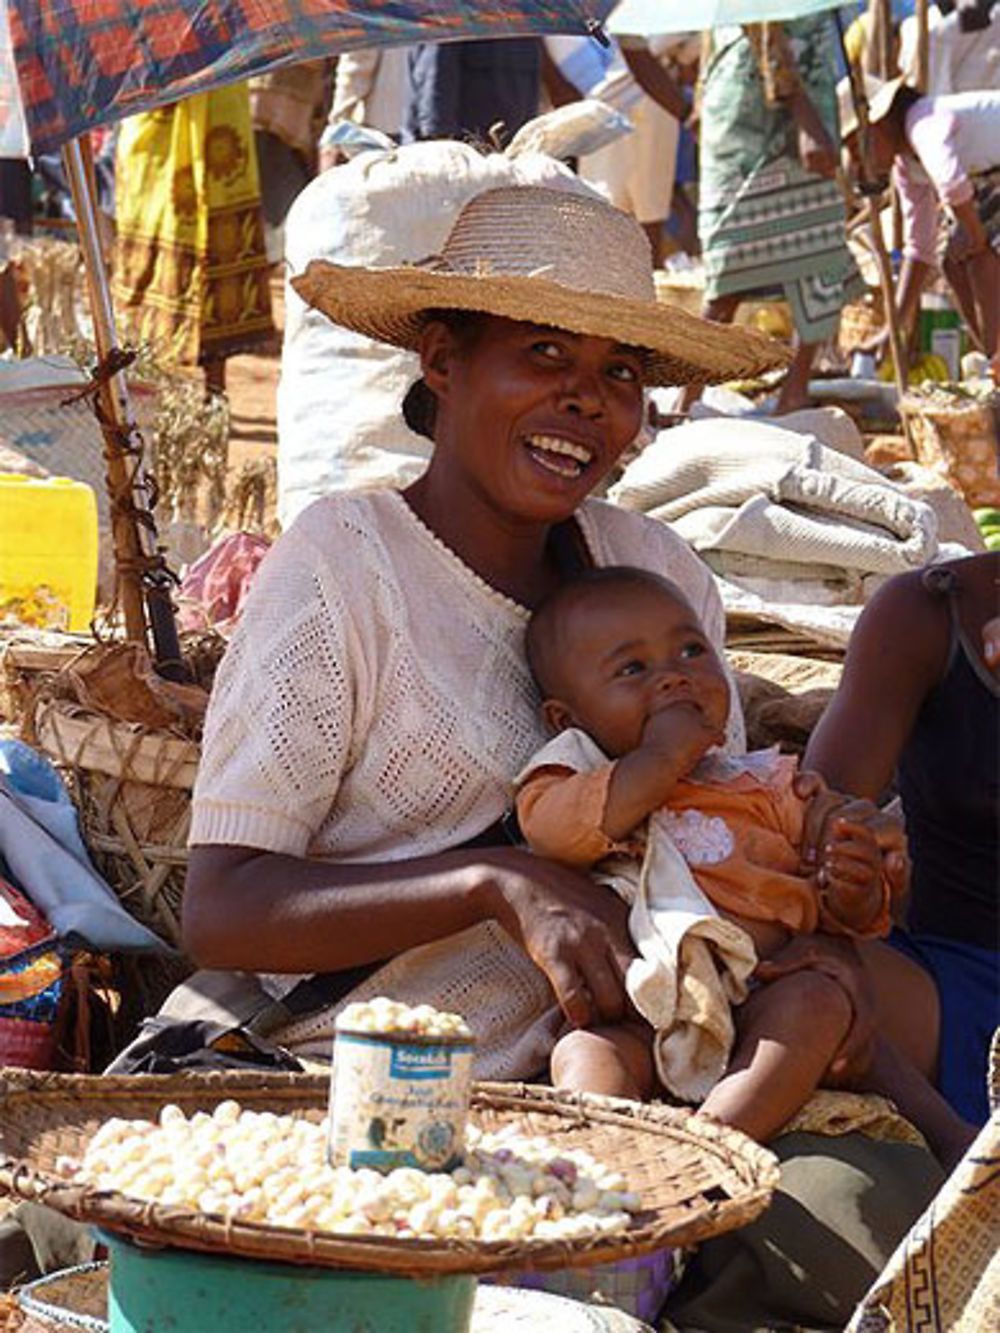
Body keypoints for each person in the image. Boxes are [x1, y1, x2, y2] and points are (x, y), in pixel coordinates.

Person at [182, 181, 943, 1330]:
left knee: (893, 1226)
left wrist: (829, 878)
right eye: (542, 355)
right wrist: (502, 882)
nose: (585, 403)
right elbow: (223, 910)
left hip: (652, 1076)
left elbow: (712, 839)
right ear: (441, 361)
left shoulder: (658, 572)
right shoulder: (344, 566)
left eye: (620, 373)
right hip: (386, 1096)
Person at [516, 566, 974, 1169]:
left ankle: (705, 1156)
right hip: (645, 1009)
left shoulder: (764, 780)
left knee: (823, 1007)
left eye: (692, 650)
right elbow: (556, 833)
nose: (676, 676)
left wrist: (857, 880)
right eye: (633, 670)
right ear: (565, 718)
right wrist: (662, 756)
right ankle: (602, 1177)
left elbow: (841, 912)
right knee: (584, 1056)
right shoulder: (574, 773)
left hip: (763, 997)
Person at [806, 552, 999, 1128]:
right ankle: (950, 1138)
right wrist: (860, 865)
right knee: (782, 963)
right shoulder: (927, 612)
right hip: (949, 992)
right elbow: (812, 829)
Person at [687, 17, 863, 413]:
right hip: (761, 120)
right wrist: (809, 124)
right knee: (727, 268)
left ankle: (793, 390)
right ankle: (688, 395)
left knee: (816, 256)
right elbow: (763, 22)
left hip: (764, 105)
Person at [113, 84, 275, 396]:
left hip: (219, 125)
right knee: (148, 264)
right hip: (155, 126)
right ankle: (149, 391)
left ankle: (214, 393)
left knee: (220, 253)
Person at [840, 78, 1000, 384]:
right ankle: (993, 354)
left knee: (979, 256)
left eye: (859, 149)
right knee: (950, 259)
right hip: (985, 182)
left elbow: (953, 185)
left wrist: (977, 240)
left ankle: (996, 362)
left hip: (987, 179)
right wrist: (892, 327)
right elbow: (920, 247)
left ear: (879, 125)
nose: (861, 163)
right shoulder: (906, 167)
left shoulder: (923, 122)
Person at [403, 38, 541, 148]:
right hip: (455, 154)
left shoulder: (526, 20)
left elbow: (530, 91)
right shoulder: (453, 13)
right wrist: (440, 143)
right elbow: (436, 83)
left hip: (506, 155)